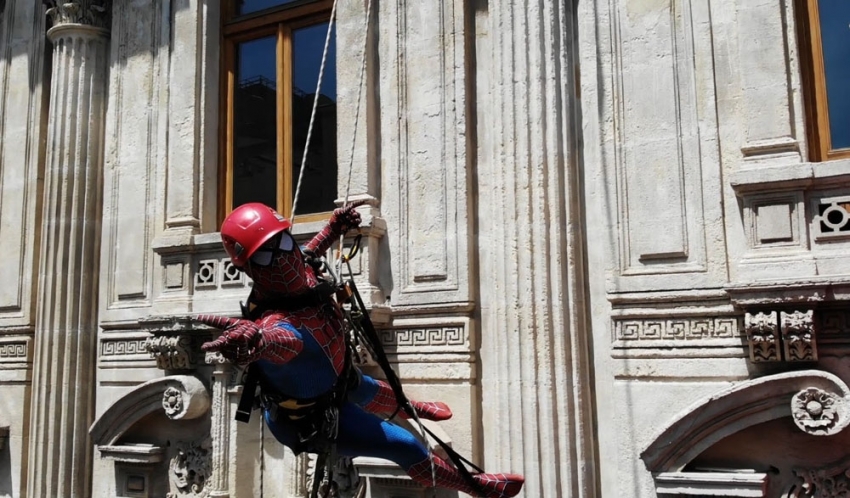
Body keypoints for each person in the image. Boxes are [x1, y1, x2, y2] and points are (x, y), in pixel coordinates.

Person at [197, 202, 524, 498]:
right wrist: (254, 343)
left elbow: (310, 252)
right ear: (250, 269)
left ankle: (414, 407)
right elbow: (275, 340)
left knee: (369, 388)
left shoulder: (301, 272)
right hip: (308, 418)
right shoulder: (279, 324)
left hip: (338, 381)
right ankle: (476, 486)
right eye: (267, 255)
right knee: (406, 444)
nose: (283, 256)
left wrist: (333, 227)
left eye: (283, 242)